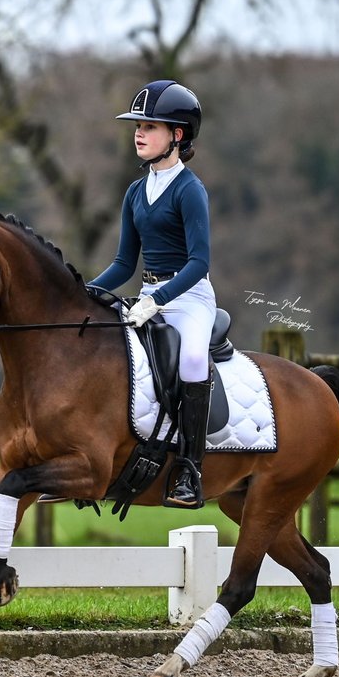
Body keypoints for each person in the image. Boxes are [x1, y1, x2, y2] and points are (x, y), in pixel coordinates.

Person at [90, 79, 216, 508]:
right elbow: (125, 263)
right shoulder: (134, 191)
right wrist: (82, 293)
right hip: (145, 296)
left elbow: (199, 263)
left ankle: (189, 471)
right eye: (137, 126)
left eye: (151, 126)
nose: (139, 133)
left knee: (194, 359)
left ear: (177, 136)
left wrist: (158, 300)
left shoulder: (189, 190)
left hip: (189, 297)